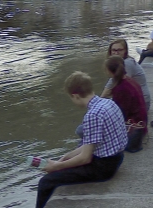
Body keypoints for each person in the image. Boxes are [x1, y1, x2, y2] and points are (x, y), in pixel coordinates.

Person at [33, 72, 126, 208]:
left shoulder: (92, 115)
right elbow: (98, 142)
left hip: (103, 168)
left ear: (75, 96)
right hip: (117, 158)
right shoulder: (108, 103)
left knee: (46, 182)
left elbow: (85, 159)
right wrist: (67, 156)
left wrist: (56, 167)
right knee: (65, 164)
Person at [103, 56, 148, 153]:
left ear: (110, 71)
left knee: (83, 130)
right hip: (141, 121)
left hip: (134, 127)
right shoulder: (128, 80)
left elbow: (121, 114)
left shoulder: (121, 88)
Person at [103, 39, 150, 108]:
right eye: (114, 50)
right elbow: (112, 82)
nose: (116, 53)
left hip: (141, 103)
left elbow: (113, 85)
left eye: (119, 50)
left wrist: (100, 99)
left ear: (125, 51)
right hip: (137, 99)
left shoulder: (127, 63)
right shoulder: (121, 63)